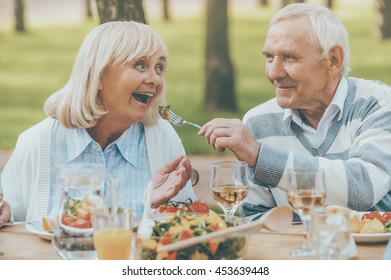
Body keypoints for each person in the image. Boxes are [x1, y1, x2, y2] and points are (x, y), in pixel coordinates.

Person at [199, 3, 391, 220]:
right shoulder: (258, 122)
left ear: (334, 60)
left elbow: (362, 187)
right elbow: (256, 218)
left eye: (289, 57)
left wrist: (262, 157)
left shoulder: (378, 104)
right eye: (269, 57)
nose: (273, 73)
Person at [0, 21, 196, 224]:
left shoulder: (162, 139)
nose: (155, 79)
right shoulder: (37, 142)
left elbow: (187, 228)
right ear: (99, 75)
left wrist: (156, 210)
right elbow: (12, 223)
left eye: (159, 68)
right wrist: (6, 213)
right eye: (140, 64)